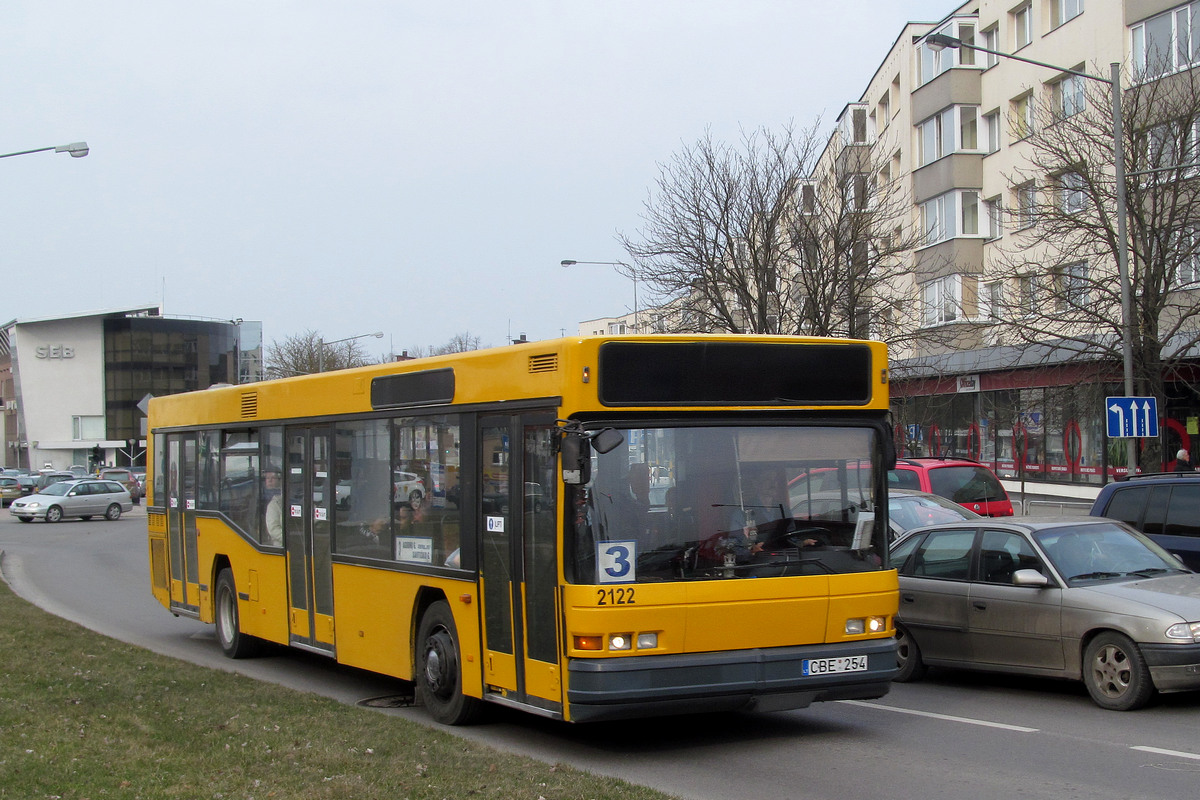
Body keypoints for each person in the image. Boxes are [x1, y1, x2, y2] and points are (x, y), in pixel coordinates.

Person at [262, 466, 284, 547]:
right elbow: (273, 529)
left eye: (273, 478)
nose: (269, 480)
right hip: (280, 545)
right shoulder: (273, 504)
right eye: (267, 478)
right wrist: (290, 539)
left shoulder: (284, 496)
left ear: (280, 480)